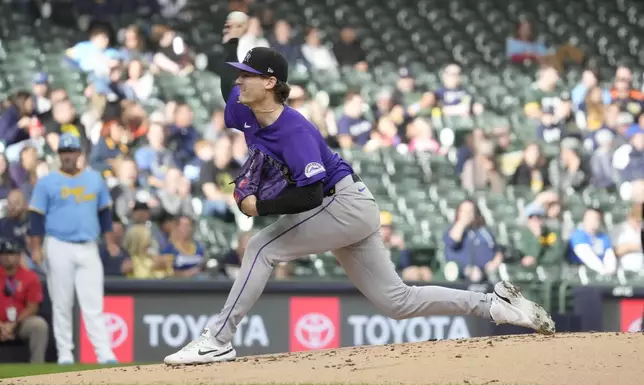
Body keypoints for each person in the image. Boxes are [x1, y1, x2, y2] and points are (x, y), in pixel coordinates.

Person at [163, 17, 555, 366]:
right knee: (397, 302)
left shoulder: (294, 130)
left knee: (261, 247)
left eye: (247, 74)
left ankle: (217, 339)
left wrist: (259, 204)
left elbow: (310, 197)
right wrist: (229, 44)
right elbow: (222, 85)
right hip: (348, 207)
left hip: (339, 204)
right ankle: (495, 305)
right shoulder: (248, 110)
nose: (238, 80)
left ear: (270, 83)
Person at [26, 134, 118, 365]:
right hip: (58, 244)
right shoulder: (47, 182)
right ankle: (65, 353)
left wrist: (110, 241)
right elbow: (36, 218)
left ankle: (104, 353)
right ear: (59, 155)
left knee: (93, 303)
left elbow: (105, 213)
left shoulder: (94, 179)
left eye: (71, 151)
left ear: (79, 153)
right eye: (63, 151)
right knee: (62, 303)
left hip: (88, 245)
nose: (67, 155)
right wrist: (36, 248)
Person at [0, 239, 49, 363]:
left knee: (39, 325)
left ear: (19, 256)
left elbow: (33, 306)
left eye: (11, 254)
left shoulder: (30, 277)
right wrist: (1, 325)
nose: (7, 257)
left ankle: (37, 368)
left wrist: (13, 324)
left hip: (20, 323)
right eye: (4, 254)